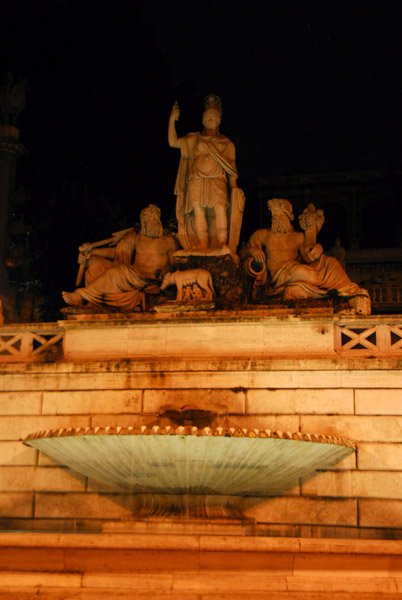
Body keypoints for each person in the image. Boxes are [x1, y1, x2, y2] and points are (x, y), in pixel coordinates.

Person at [240, 198, 371, 314]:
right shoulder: (262, 235)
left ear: (287, 215)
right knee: (303, 272)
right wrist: (251, 251)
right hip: (279, 278)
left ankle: (350, 291)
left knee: (330, 262)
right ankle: (336, 292)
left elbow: (309, 257)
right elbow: (241, 254)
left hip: (294, 272)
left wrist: (317, 249)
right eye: (272, 213)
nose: (274, 216)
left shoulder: (298, 237)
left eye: (277, 213)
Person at [62, 205, 177, 310]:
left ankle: (81, 296)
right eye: (151, 217)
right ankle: (93, 302)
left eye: (157, 217)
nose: (155, 220)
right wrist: (92, 252)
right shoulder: (135, 238)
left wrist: (168, 271)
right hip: (134, 275)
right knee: (94, 262)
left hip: (153, 281)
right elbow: (116, 252)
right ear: (144, 221)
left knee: (116, 273)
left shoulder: (168, 240)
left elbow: (175, 263)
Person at [168, 95, 242, 251]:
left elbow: (232, 168)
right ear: (203, 120)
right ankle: (202, 242)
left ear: (218, 121)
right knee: (198, 209)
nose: (210, 118)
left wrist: (234, 186)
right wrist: (172, 120)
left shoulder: (227, 143)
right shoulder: (194, 139)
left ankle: (222, 241)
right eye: (207, 116)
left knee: (220, 207)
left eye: (213, 116)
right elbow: (173, 142)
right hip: (196, 178)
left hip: (217, 179)